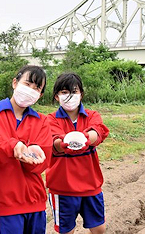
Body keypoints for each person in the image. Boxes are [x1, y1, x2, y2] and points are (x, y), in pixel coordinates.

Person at [0, 65, 52, 234]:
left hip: (36, 203)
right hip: (5, 204)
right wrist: (12, 147)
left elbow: (42, 162)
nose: (30, 90)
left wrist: (32, 156)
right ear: (15, 83)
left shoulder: (42, 121)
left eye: (37, 88)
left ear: (40, 95)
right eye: (27, 84)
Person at [46, 72, 109, 234]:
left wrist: (85, 138)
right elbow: (55, 143)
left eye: (74, 92)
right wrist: (67, 142)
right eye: (64, 92)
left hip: (91, 185)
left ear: (81, 94)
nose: (70, 96)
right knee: (66, 231)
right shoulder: (50, 120)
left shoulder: (91, 115)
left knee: (99, 228)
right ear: (56, 96)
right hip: (62, 188)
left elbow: (98, 132)